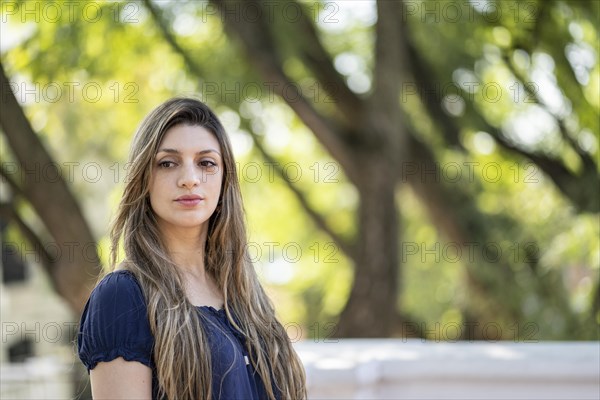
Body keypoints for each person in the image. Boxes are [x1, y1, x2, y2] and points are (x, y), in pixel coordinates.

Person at [77, 97, 307, 399]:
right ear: (143, 178)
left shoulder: (246, 295)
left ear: (225, 180)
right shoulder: (123, 296)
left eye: (206, 163)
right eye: (167, 163)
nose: (189, 179)